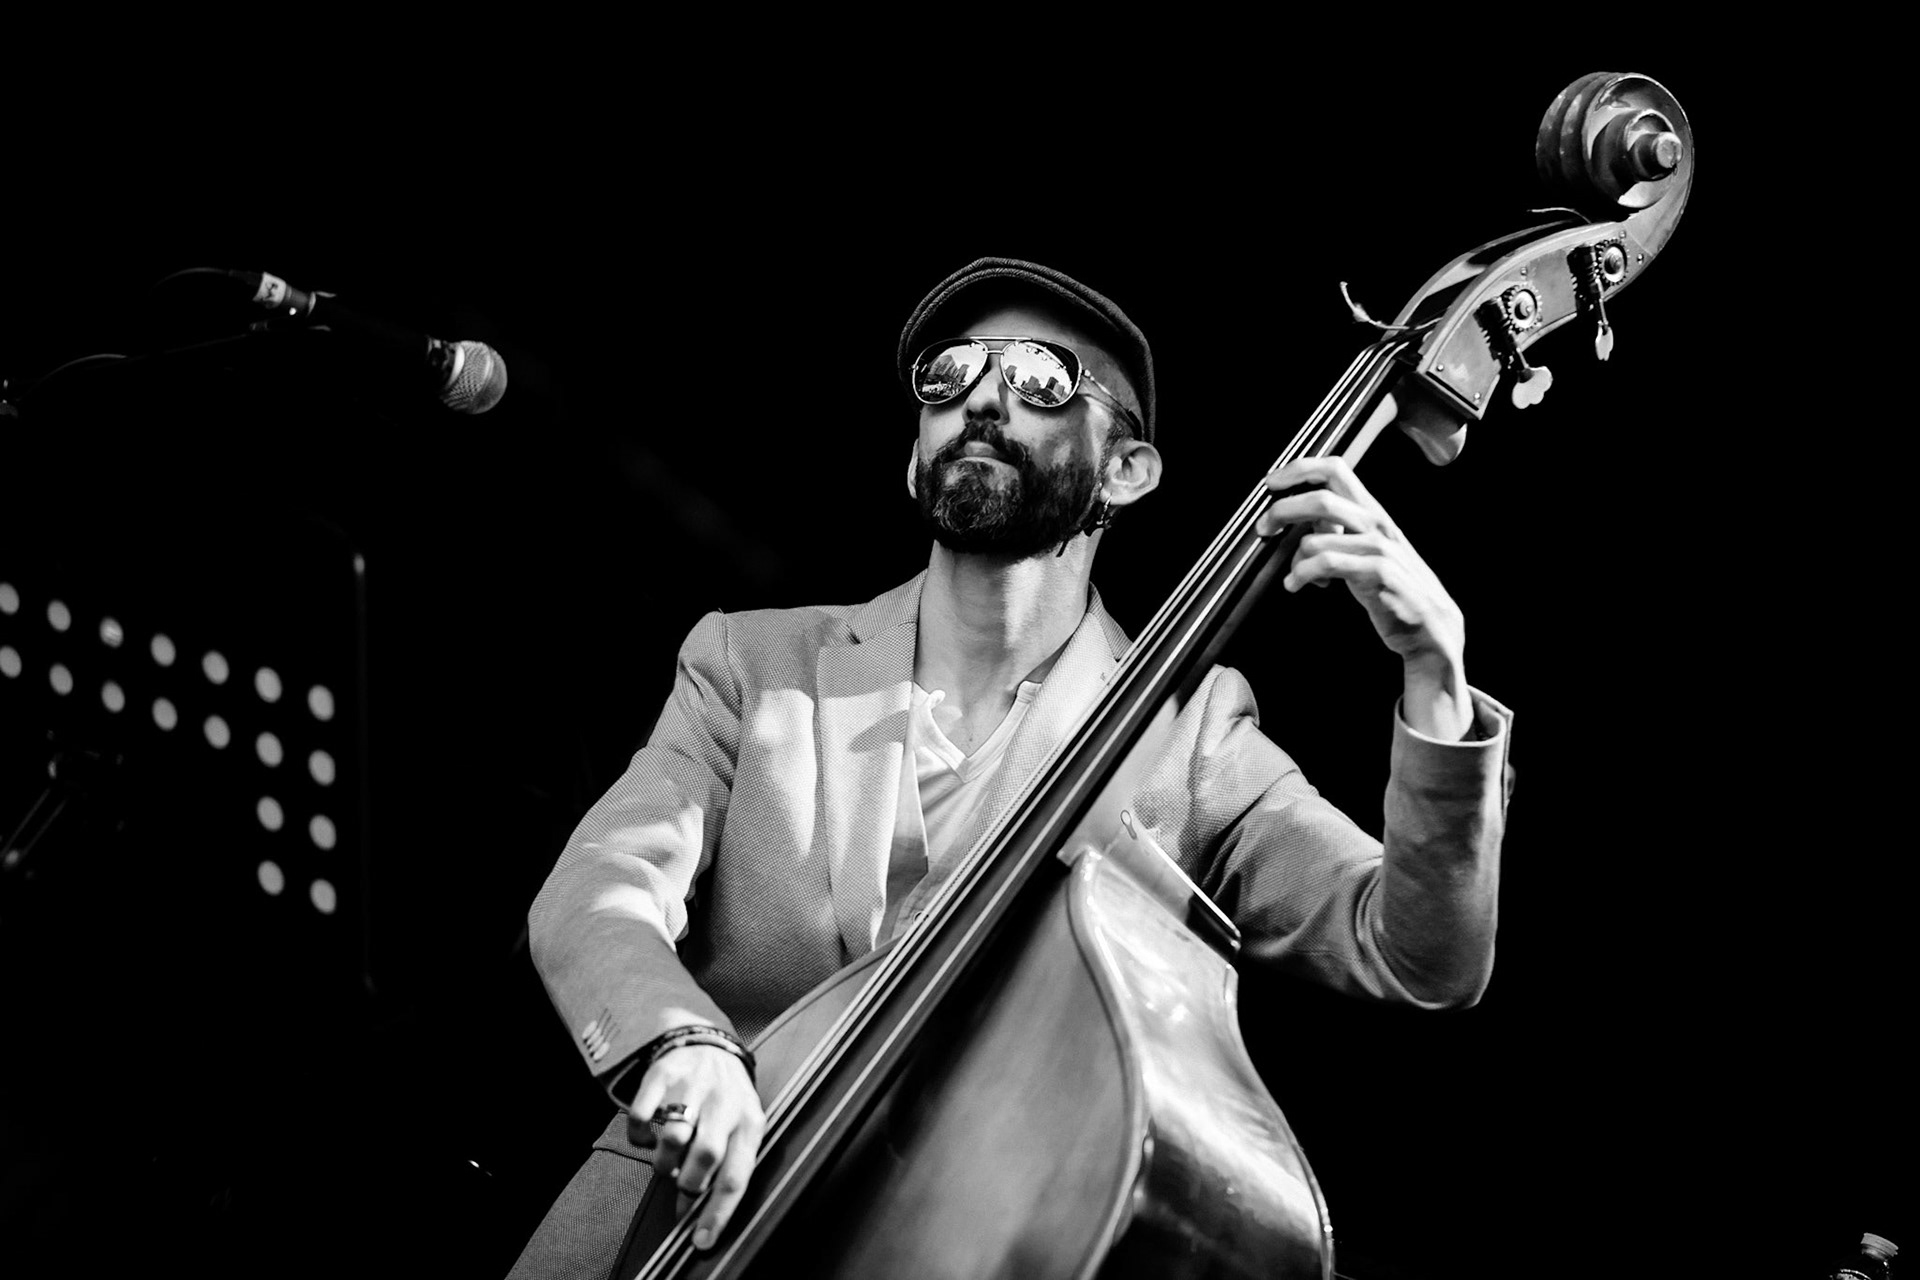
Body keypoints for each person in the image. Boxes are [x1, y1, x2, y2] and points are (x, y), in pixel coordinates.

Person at [507, 258, 1512, 1279]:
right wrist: (684, 1047)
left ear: (1127, 471)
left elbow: (1420, 955)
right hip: (659, 1237)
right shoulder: (753, 665)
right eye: (948, 375)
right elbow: (601, 889)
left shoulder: (1194, 740)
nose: (982, 395)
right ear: (915, 456)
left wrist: (1436, 678)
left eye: (1040, 377)